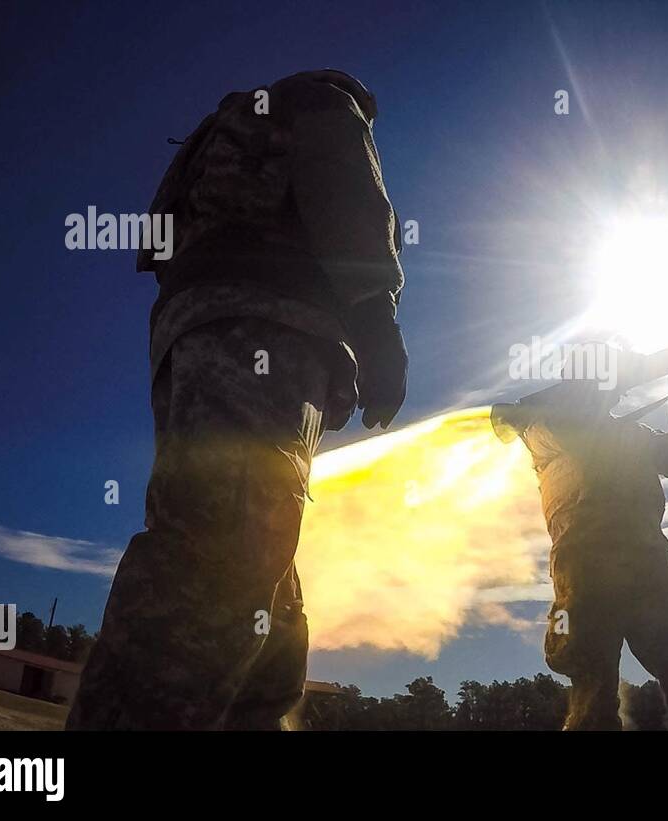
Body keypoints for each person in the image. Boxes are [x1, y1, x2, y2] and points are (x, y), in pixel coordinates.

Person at [67, 70, 408, 730]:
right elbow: (350, 201)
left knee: (265, 596)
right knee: (220, 551)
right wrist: (377, 323)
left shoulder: (228, 135)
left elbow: (166, 253)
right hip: (264, 326)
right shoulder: (329, 103)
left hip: (197, 333)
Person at [506, 357, 668, 730]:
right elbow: (559, 428)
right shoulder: (545, 431)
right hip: (583, 584)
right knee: (592, 691)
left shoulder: (628, 435)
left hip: (647, 574)